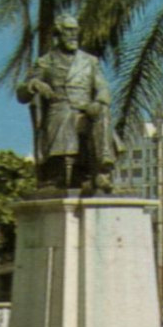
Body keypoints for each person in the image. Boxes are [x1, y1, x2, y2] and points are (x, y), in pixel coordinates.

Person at [17, 13, 118, 192]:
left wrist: (98, 102)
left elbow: (103, 88)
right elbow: (21, 95)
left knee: (102, 112)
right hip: (60, 109)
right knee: (66, 118)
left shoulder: (90, 61)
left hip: (87, 111)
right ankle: (63, 174)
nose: (73, 35)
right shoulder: (46, 62)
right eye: (69, 30)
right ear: (58, 33)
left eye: (76, 30)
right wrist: (34, 84)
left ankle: (102, 170)